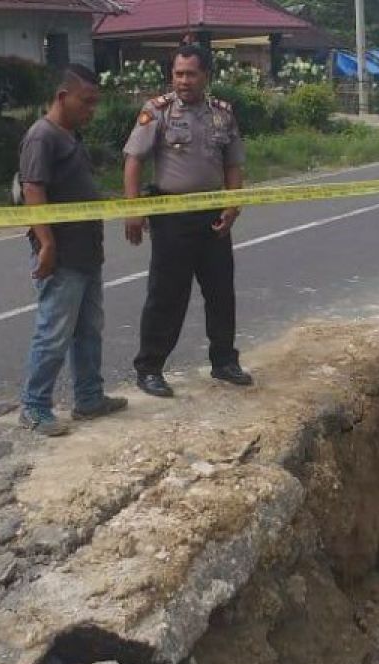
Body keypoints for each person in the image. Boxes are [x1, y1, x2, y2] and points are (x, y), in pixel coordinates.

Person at [122, 42, 253, 398]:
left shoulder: (223, 114)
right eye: (178, 73)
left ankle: (224, 361)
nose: (183, 80)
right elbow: (133, 159)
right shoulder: (158, 111)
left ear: (205, 76)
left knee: (221, 292)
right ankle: (149, 369)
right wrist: (133, 208)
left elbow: (233, 165)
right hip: (172, 217)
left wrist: (232, 205)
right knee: (166, 295)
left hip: (212, 218)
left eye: (191, 73)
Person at [17, 63, 127, 436]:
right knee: (54, 332)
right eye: (86, 101)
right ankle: (34, 406)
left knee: (88, 329)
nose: (91, 110)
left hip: (86, 253)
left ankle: (89, 397)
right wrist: (46, 243)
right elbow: (34, 190)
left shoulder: (69, 136)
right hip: (62, 256)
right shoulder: (41, 137)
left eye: (95, 103)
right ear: (63, 97)